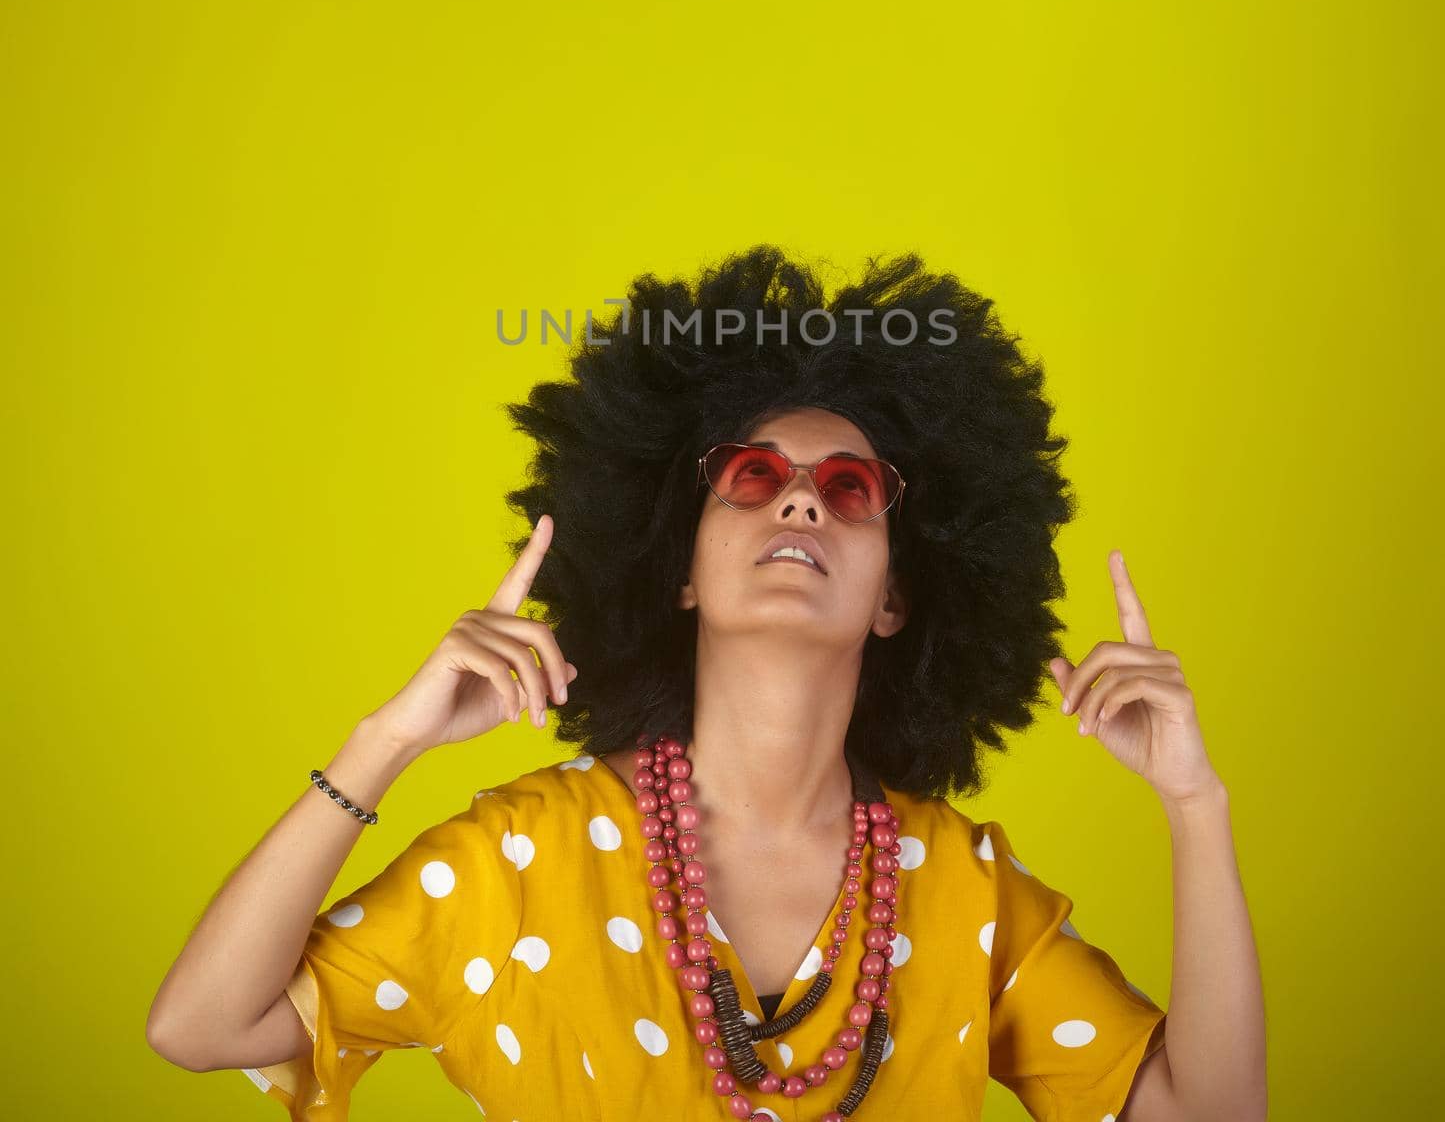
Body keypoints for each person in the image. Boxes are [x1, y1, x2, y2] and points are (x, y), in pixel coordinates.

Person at [146, 246, 1266, 1120]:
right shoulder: (518, 859)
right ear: (678, 569)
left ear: (895, 597)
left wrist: (1193, 806)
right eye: (751, 475)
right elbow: (200, 1024)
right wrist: (380, 742)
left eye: (849, 486)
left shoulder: (964, 892)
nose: (798, 501)